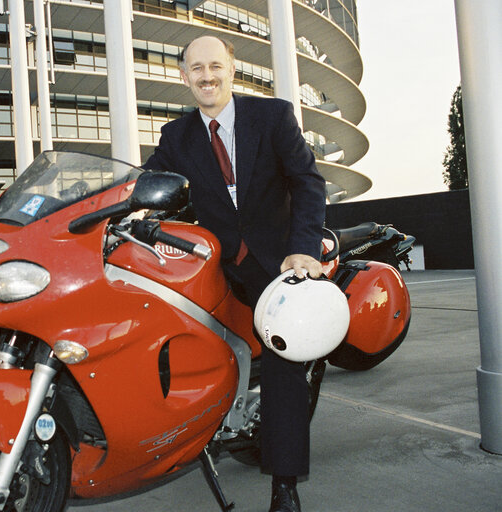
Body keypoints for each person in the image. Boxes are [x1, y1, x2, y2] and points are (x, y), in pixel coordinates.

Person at [143, 36, 327, 512]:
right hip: (214, 264)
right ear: (184, 76)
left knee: (284, 353)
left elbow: (307, 182)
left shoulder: (273, 116)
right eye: (196, 68)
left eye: (215, 66)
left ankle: (284, 484)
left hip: (276, 259)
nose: (207, 76)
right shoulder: (174, 137)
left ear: (232, 69)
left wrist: (302, 250)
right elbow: (143, 188)